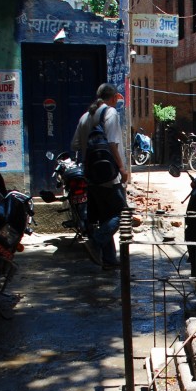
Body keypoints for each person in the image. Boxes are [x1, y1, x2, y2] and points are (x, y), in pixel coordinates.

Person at [72, 83, 128, 269]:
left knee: (105, 217)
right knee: (122, 214)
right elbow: (112, 143)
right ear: (114, 97)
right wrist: (122, 168)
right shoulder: (110, 113)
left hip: (91, 176)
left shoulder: (85, 117)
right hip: (109, 176)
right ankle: (95, 241)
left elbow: (75, 145)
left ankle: (109, 260)